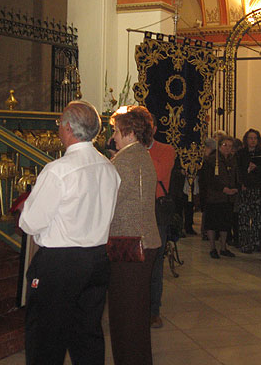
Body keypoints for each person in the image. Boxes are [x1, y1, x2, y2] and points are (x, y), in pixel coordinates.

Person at [19, 100, 121, 365]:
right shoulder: (109, 168)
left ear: (67, 128)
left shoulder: (58, 171)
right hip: (97, 260)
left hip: (60, 265)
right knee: (86, 335)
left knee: (45, 339)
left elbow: (30, 223)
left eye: (59, 124)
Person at [108, 106, 161, 365]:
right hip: (144, 241)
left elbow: (108, 203)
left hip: (128, 244)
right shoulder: (141, 155)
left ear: (129, 132)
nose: (113, 137)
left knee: (125, 317)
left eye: (116, 131)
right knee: (136, 314)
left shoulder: (124, 160)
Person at [147, 116, 176, 329]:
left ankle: (153, 310)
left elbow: (159, 173)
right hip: (135, 210)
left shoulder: (166, 150)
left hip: (156, 212)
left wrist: (138, 153)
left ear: (154, 129)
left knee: (155, 263)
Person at [204, 136, 238, 258]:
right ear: (219, 146)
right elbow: (209, 179)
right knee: (212, 223)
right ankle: (212, 248)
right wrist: (223, 189)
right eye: (225, 145)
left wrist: (235, 188)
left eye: (230, 146)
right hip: (214, 197)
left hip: (227, 198)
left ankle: (223, 247)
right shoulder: (212, 160)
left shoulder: (232, 160)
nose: (227, 148)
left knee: (225, 223)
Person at [236, 128, 261, 254]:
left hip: (258, 189)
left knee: (258, 217)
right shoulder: (240, 154)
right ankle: (244, 243)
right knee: (244, 217)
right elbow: (237, 170)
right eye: (250, 138)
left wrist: (257, 167)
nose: (253, 140)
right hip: (245, 188)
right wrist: (241, 184)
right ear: (246, 139)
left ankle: (256, 242)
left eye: (255, 138)